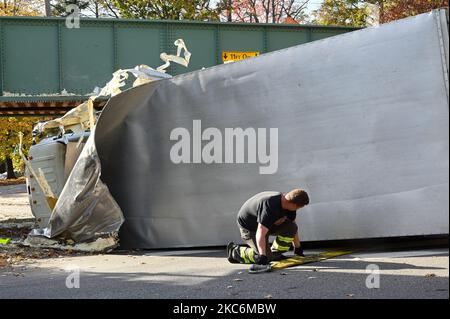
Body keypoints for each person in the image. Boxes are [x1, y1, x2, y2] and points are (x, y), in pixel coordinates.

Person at [227, 189, 309, 273]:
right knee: (266, 257)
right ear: (294, 204)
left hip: (266, 225)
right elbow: (260, 233)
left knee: (291, 227)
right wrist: (263, 257)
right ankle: (235, 252)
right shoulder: (270, 205)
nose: (298, 209)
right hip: (250, 228)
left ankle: (275, 253)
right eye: (299, 207)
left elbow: (293, 226)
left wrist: (297, 247)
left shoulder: (289, 204)